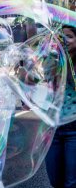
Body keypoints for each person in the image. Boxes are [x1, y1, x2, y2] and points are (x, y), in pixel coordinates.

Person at [45, 24, 76, 188]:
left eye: (69, 36)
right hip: (54, 129)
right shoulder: (53, 58)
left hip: (74, 131)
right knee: (55, 180)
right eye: (62, 36)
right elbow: (34, 80)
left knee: (71, 183)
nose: (65, 40)